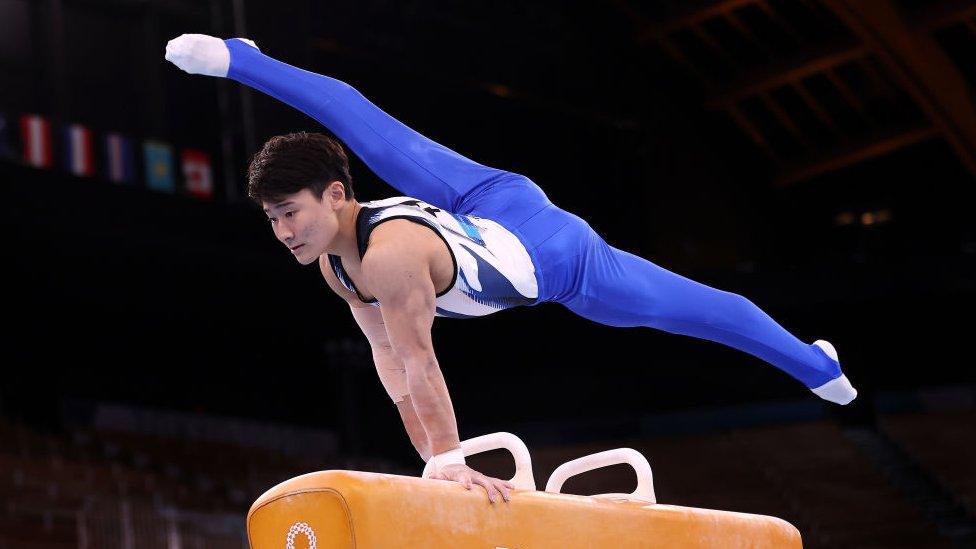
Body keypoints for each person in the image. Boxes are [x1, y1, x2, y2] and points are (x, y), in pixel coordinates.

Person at [164, 34, 858, 505]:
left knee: (693, 310)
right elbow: (390, 367)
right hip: (482, 205)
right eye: (273, 220)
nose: (283, 232)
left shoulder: (391, 258)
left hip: (553, 255)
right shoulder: (338, 268)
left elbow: (422, 361)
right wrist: (437, 462)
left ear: (338, 197)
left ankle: (813, 364)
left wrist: (450, 454)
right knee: (374, 135)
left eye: (291, 213)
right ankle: (244, 59)